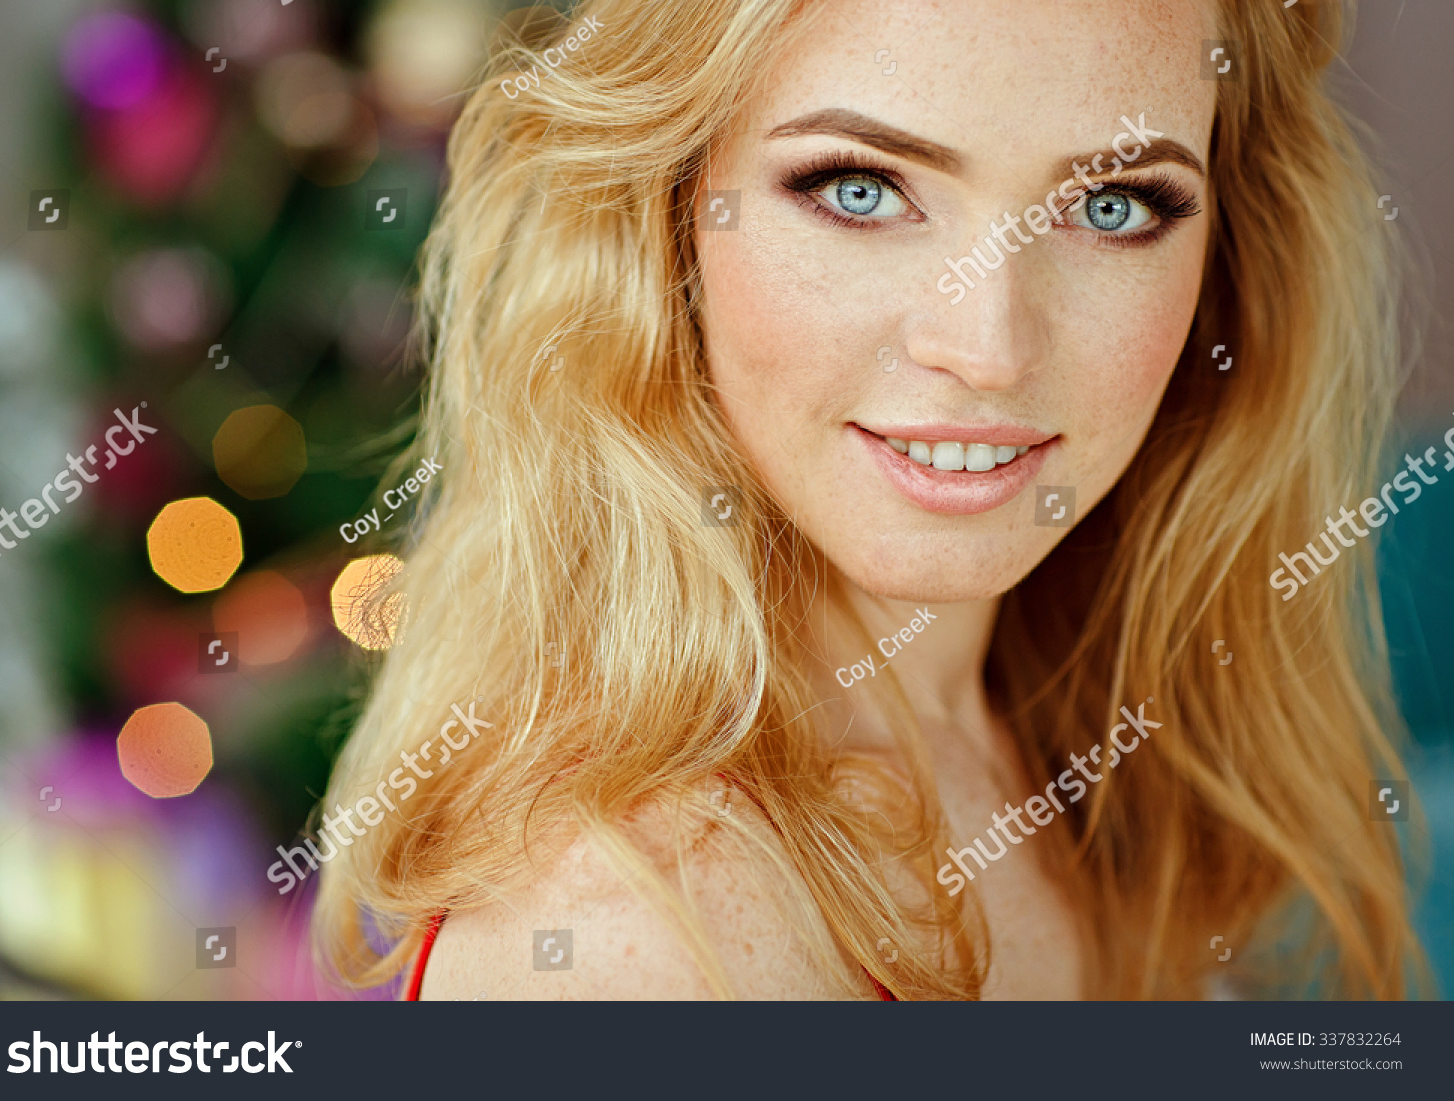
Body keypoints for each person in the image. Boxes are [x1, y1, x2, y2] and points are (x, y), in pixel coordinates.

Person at [315, 0, 1424, 1000]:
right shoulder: (634, 940)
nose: (988, 348)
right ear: (665, 211)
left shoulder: (1091, 754)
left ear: (1228, 250)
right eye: (861, 189)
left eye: (1115, 205)